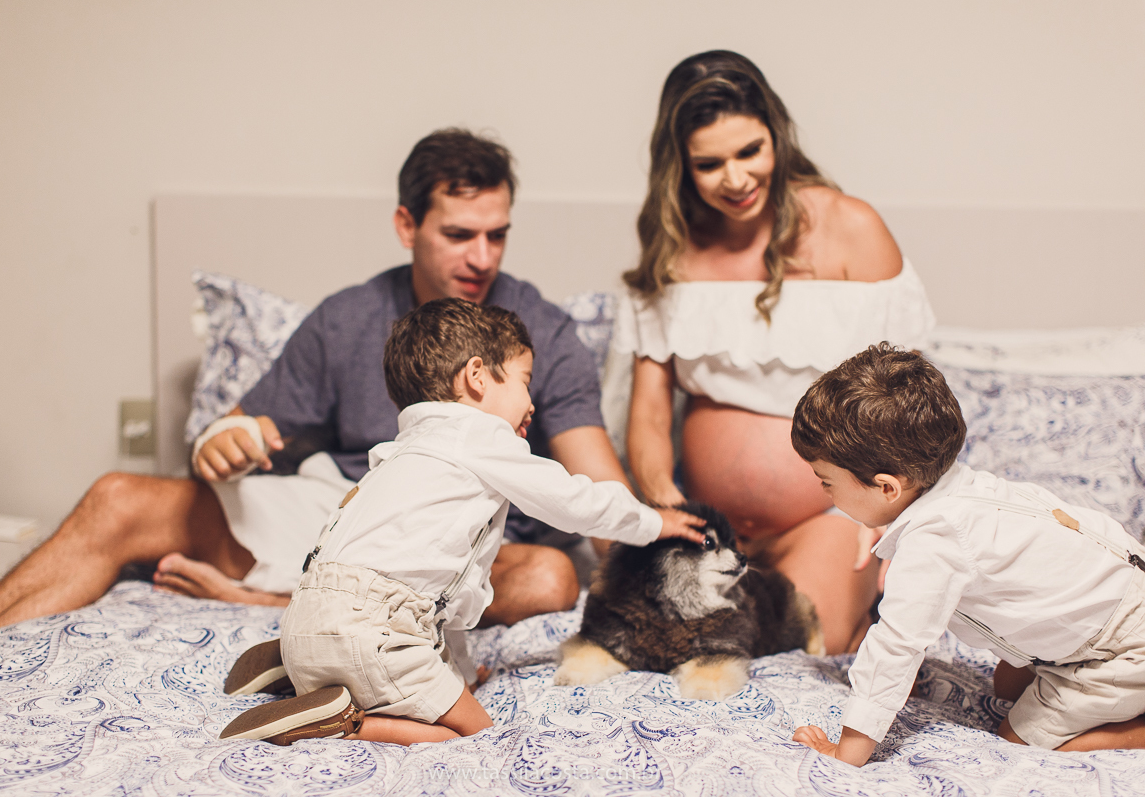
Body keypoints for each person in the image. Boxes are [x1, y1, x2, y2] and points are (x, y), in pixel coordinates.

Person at [0, 129, 630, 647]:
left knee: (550, 579)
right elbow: (231, 436)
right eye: (458, 234)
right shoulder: (344, 318)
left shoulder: (544, 330)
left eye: (496, 235)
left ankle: (265, 604)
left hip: (461, 547)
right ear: (406, 225)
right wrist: (223, 443)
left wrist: (653, 562)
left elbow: (596, 480)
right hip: (336, 518)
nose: (481, 257)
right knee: (115, 497)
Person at [218, 298, 706, 746]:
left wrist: (464, 678)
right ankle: (339, 720)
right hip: (370, 635)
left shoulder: (396, 454)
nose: (532, 402)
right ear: (477, 376)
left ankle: (298, 665)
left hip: (310, 617)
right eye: (524, 380)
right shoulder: (478, 436)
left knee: (419, 656)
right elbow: (573, 501)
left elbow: (435, 602)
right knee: (472, 736)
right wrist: (650, 522)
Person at [614, 50, 935, 654]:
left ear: (777, 136)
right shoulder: (672, 247)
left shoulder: (850, 229)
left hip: (830, 520)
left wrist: (900, 528)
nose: (735, 179)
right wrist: (668, 508)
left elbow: (912, 406)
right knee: (659, 648)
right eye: (709, 164)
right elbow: (651, 411)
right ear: (678, 164)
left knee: (793, 647)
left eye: (749, 152)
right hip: (708, 530)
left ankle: (867, 604)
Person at [790, 343, 1145, 764]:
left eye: (827, 482)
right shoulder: (963, 489)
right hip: (1115, 604)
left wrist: (848, 750)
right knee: (1006, 688)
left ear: (887, 488)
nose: (822, 491)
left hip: (1121, 648)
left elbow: (896, 645)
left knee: (1017, 739)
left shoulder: (935, 540)